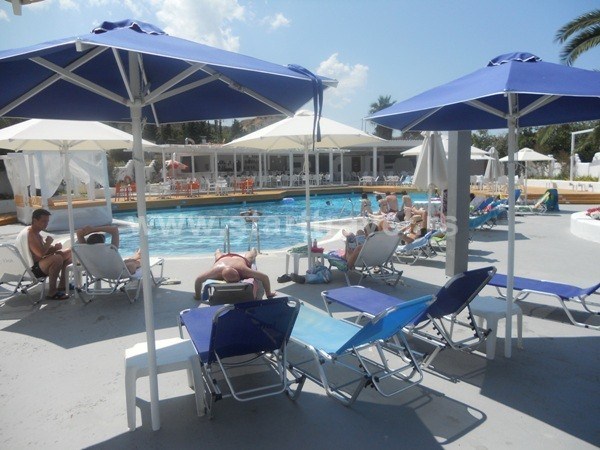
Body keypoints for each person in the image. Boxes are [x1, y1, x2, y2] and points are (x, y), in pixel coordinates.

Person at [194, 248, 276, 300]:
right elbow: (264, 277)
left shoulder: (242, 270)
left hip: (238, 259)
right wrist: (268, 294)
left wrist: (197, 296)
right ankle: (218, 251)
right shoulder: (216, 271)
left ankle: (253, 250)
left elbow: (198, 280)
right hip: (222, 259)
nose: (239, 279)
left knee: (251, 256)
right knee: (217, 255)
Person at [27, 208, 72, 300]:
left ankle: (62, 284)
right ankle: (52, 292)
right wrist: (48, 243)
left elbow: (42, 251)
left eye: (47, 221)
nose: (46, 224)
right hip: (33, 269)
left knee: (69, 253)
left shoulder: (36, 233)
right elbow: (40, 254)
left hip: (40, 265)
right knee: (57, 258)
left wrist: (55, 248)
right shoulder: (31, 234)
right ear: (35, 220)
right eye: (43, 221)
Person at [76, 224, 141, 275]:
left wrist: (90, 230)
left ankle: (137, 256)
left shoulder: (85, 250)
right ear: (103, 243)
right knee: (133, 264)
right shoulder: (110, 251)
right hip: (115, 273)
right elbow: (114, 229)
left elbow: (78, 232)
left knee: (126, 261)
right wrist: (93, 229)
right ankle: (139, 258)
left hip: (99, 273)